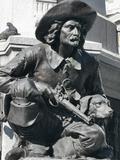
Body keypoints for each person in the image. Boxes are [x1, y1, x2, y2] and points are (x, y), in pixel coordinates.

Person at [0, 0, 112, 159]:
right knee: (24, 86)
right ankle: (32, 146)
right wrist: (38, 86)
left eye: (79, 29)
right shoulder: (35, 53)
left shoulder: (89, 63)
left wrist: (90, 104)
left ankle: (57, 150)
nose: (76, 33)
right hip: (38, 120)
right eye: (70, 27)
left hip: (70, 121)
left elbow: (99, 94)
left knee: (96, 136)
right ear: (57, 30)